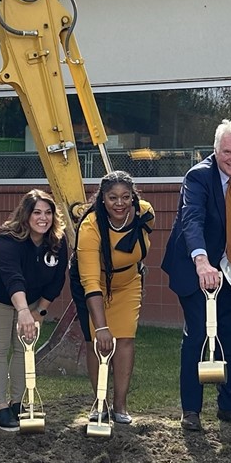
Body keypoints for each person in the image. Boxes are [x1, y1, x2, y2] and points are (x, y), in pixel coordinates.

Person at [161, 119, 231, 432]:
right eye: (227, 152)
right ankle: (191, 410)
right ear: (215, 149)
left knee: (228, 336)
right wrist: (203, 263)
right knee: (199, 334)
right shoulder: (198, 177)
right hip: (195, 266)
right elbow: (191, 221)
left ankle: (229, 407)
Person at [0, 190, 68, 431]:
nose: (43, 218)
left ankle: (17, 403)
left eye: (48, 213)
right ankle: (0, 406)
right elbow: (12, 278)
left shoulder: (58, 240)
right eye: (37, 212)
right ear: (25, 215)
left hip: (33, 299)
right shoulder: (8, 239)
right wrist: (24, 311)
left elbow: (57, 281)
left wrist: (39, 312)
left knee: (23, 348)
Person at [71, 171, 154, 425]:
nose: (119, 203)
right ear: (102, 199)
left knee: (125, 339)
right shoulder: (90, 226)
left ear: (133, 197)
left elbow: (141, 248)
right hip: (92, 285)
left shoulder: (145, 213)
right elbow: (90, 280)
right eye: (112, 197)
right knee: (97, 342)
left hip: (128, 282)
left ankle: (120, 406)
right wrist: (102, 327)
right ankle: (100, 404)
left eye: (125, 197)